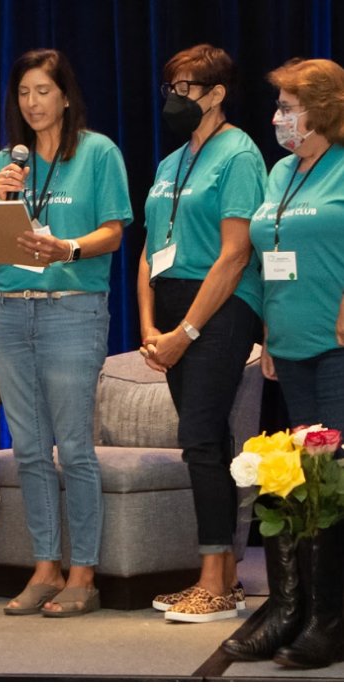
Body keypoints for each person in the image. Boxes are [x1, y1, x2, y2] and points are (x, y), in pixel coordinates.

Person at [0, 49, 132, 617]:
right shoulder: (10, 160)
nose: (33, 103)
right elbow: (0, 239)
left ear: (66, 96)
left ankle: (83, 573)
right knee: (27, 447)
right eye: (24, 93)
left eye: (43, 91)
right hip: (9, 306)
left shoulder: (98, 152)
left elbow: (115, 231)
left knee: (73, 446)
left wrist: (68, 247)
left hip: (72, 306)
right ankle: (45, 565)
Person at [222, 58, 344, 669]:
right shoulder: (280, 172)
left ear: (322, 108)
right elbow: (269, 254)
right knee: (301, 483)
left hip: (338, 343)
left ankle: (331, 619)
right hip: (290, 343)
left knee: (336, 482)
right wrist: (269, 332)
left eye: (288, 107)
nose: (278, 119)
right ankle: (297, 608)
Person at [138, 44, 265, 623]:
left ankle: (213, 582)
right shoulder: (171, 162)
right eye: (169, 88)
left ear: (215, 94)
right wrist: (148, 324)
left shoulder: (238, 154)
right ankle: (228, 580)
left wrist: (185, 331)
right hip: (170, 307)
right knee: (205, 443)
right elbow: (149, 250)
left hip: (219, 309)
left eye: (184, 88)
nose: (173, 99)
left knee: (200, 440)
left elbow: (236, 255)